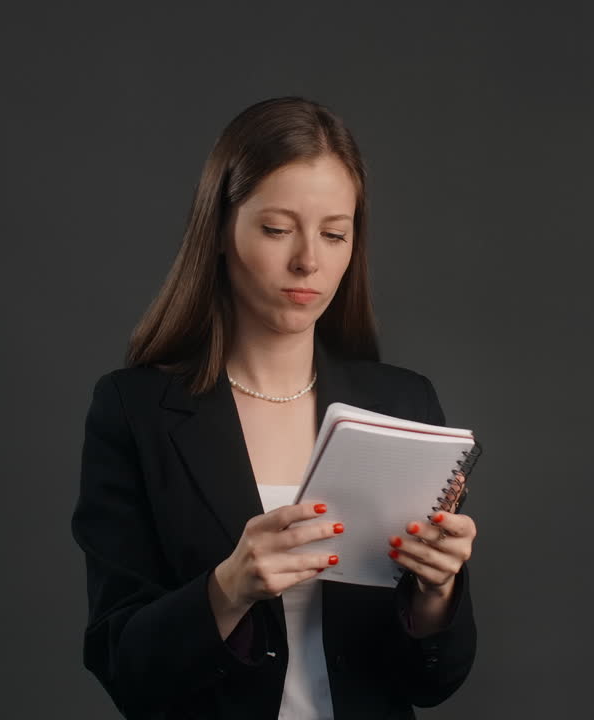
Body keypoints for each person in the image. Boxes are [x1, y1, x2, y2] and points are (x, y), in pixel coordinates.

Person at [71, 96, 478, 719]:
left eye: (334, 233)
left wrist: (437, 590)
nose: (308, 260)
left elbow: (434, 681)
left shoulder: (404, 403)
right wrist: (228, 587)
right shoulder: (136, 411)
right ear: (220, 232)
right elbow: (123, 665)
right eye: (277, 228)